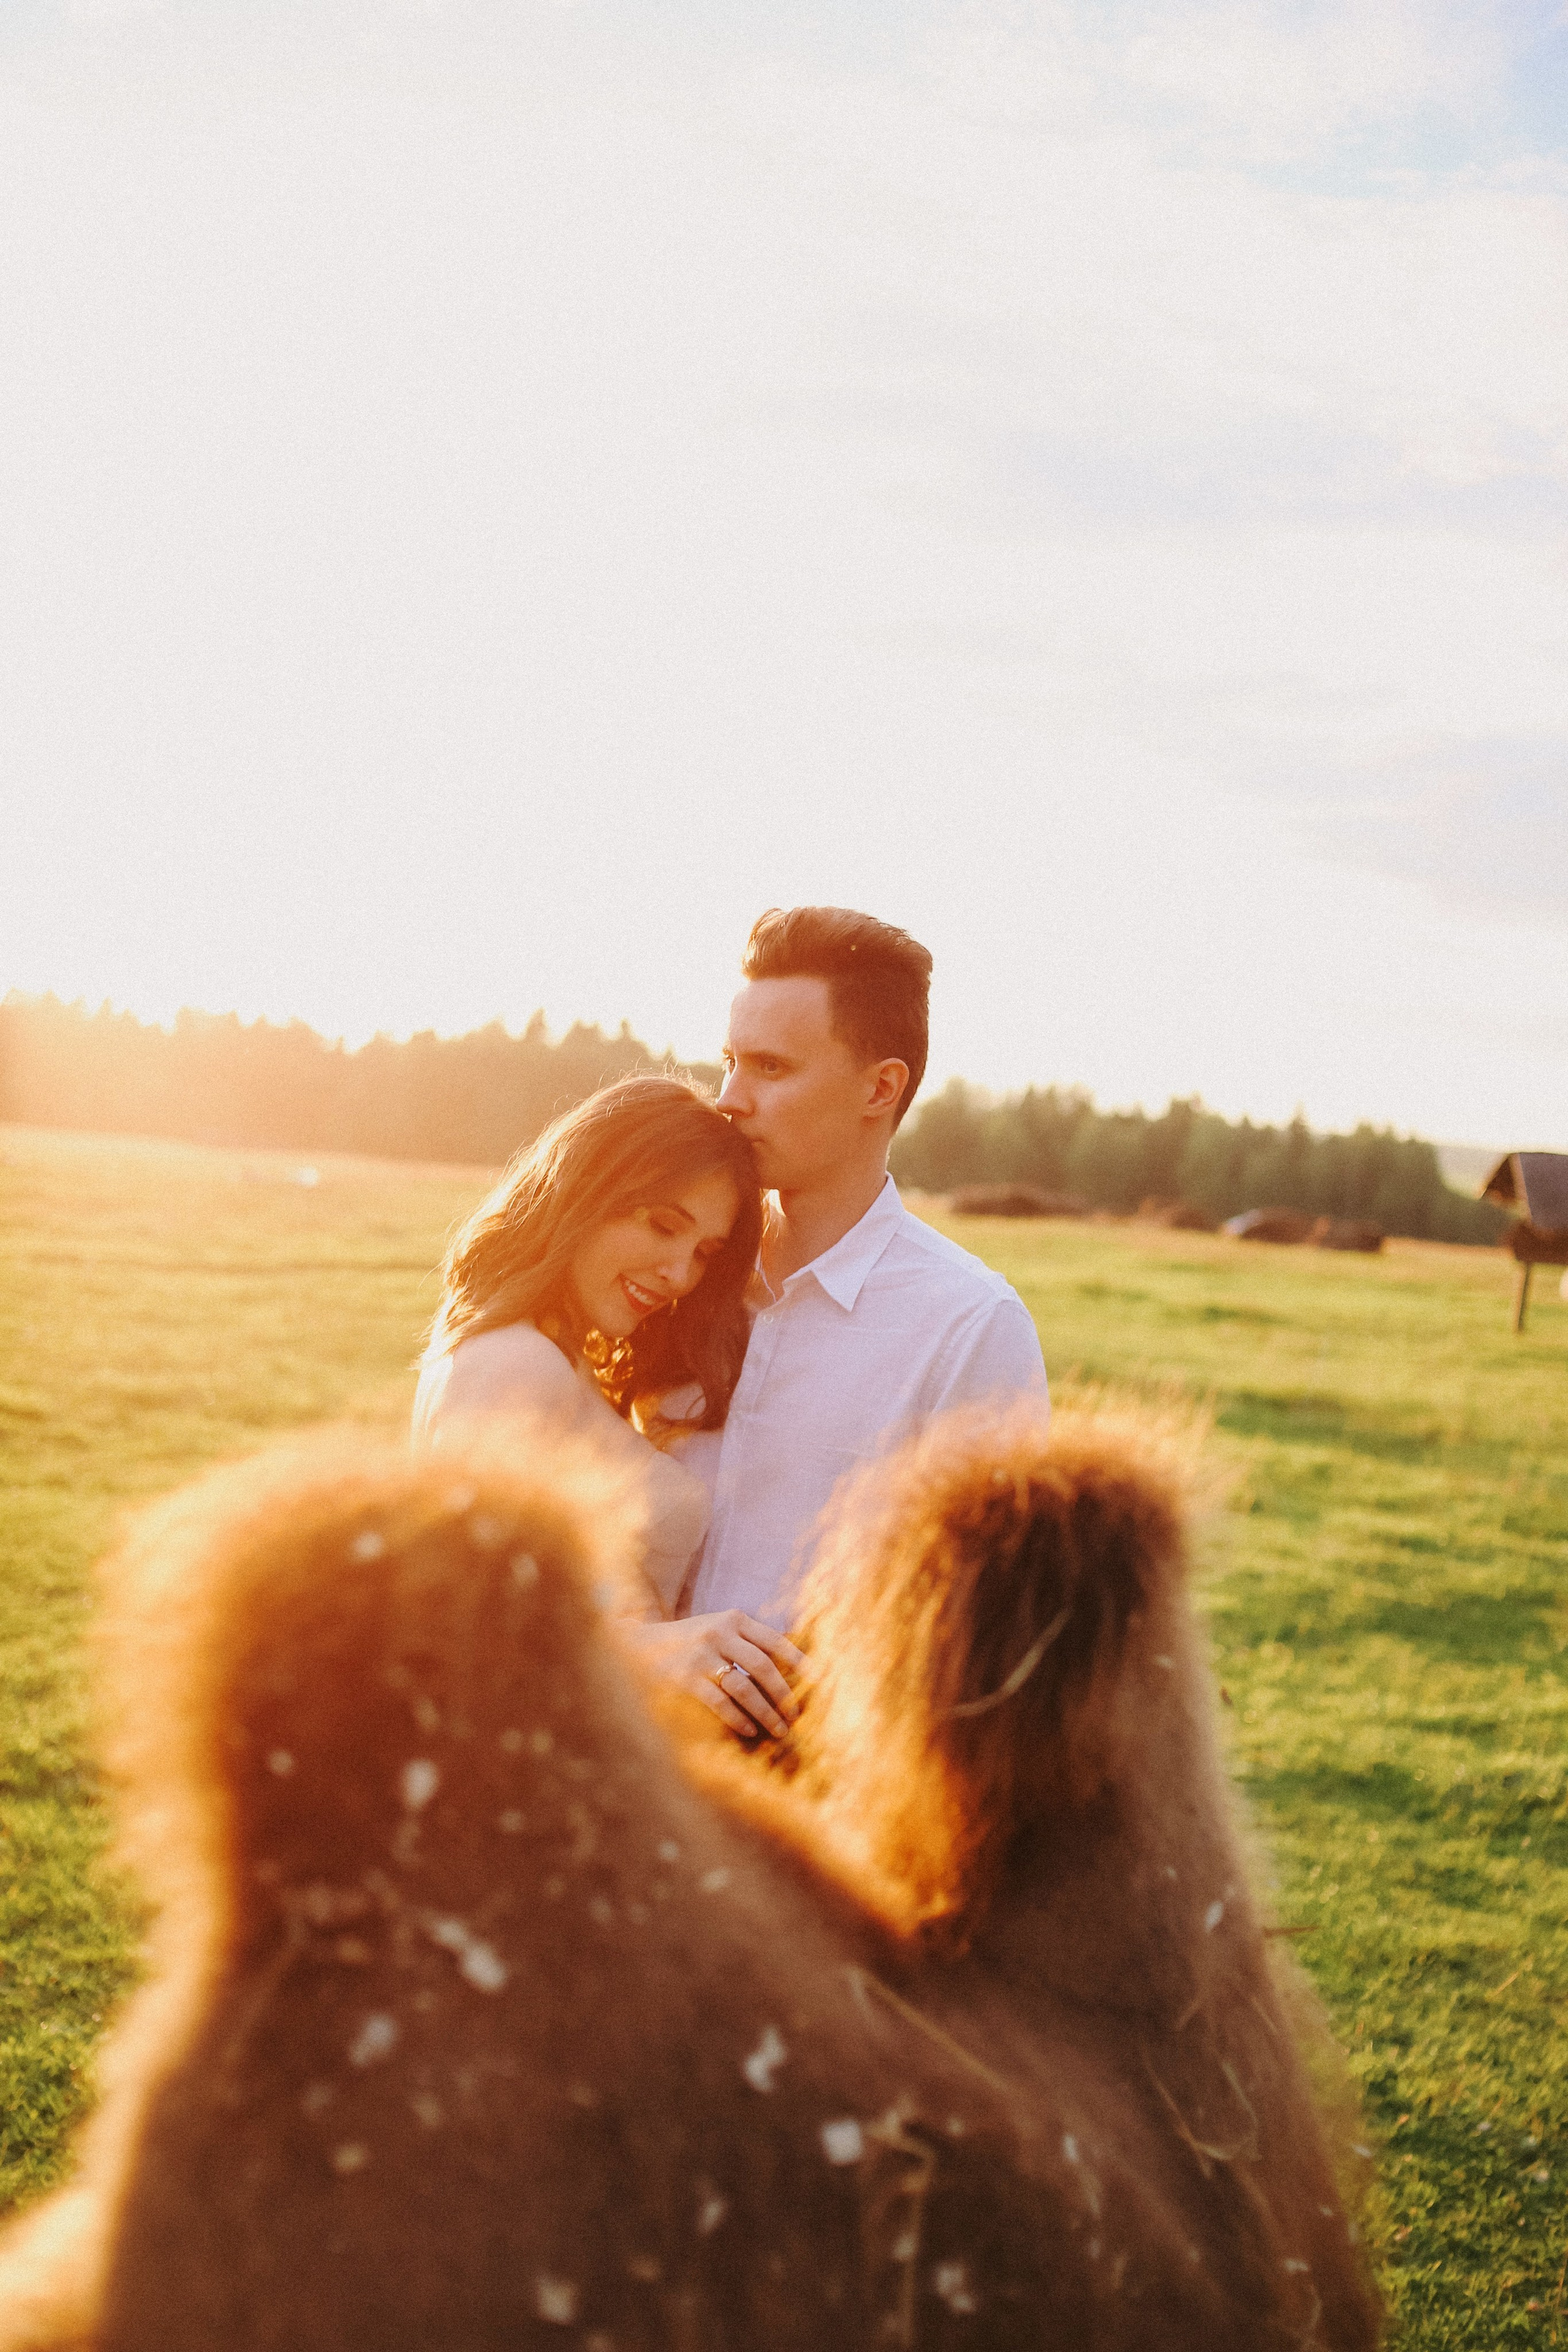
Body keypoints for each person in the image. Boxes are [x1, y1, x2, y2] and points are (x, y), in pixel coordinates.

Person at [628, 906, 1049, 1743]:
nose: (730, 1100)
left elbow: (999, 1638)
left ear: (879, 1088)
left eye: (772, 1068)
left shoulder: (972, 1326)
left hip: (820, 1803)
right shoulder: (664, 1268)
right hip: (619, 1764)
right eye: (730, 1062)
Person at [412, 1077, 794, 1667]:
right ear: (586, 1191)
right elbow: (461, 1631)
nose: (679, 1274)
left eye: (704, 1253)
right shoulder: (518, 1363)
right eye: (664, 1226)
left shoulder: (546, 1352)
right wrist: (656, 1657)